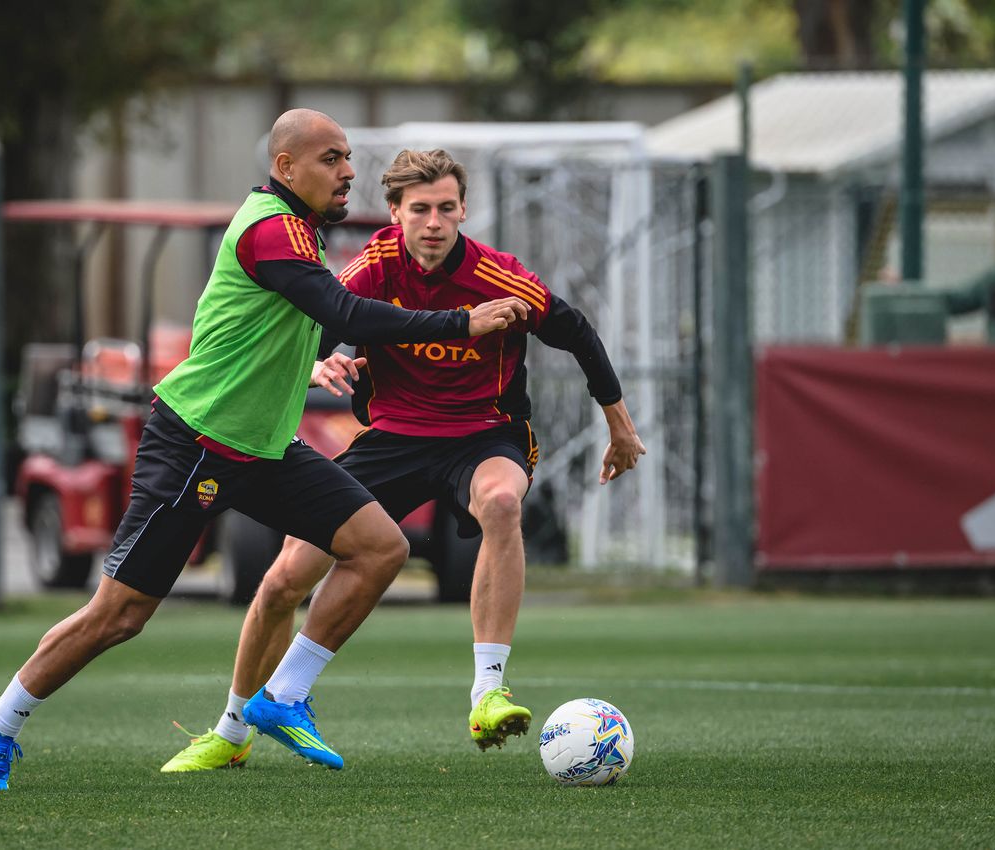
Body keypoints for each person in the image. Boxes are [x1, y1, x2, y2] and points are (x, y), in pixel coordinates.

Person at [0, 112, 530, 790]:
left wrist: (308, 365)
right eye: (330, 158)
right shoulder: (270, 228)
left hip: (264, 449)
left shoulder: (300, 230)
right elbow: (343, 314)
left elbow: (286, 326)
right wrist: (461, 322)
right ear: (285, 167)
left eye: (347, 157)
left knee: (381, 547)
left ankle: (282, 696)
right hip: (196, 445)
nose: (348, 171)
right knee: (120, 616)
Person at [161, 148, 645, 773]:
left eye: (446, 208)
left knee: (502, 502)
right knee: (283, 580)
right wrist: (323, 360)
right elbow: (320, 325)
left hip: (484, 435)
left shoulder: (500, 276)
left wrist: (619, 425)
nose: (434, 222)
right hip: (391, 438)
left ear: (463, 210)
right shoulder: (373, 267)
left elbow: (576, 330)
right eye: (420, 209)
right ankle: (232, 731)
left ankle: (488, 693)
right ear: (396, 213)